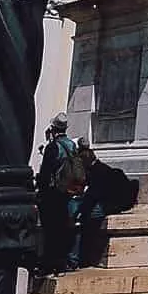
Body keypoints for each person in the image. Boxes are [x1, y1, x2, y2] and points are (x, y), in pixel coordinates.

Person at [35, 114, 84, 274]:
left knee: (51, 230)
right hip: (67, 193)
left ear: (53, 128)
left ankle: (49, 263)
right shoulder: (71, 145)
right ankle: (63, 262)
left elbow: (45, 173)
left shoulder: (53, 147)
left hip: (53, 195)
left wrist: (40, 189)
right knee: (64, 228)